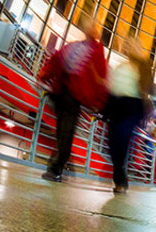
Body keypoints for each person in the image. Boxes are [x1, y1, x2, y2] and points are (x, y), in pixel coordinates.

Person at [38, 17, 108, 182]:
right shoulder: (77, 47)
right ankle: (60, 165)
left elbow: (101, 78)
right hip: (62, 94)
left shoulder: (96, 51)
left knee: (65, 133)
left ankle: (56, 168)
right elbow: (58, 60)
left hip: (74, 98)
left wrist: (98, 103)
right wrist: (44, 76)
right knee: (62, 132)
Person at [106, 37, 155, 193]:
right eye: (128, 45)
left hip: (133, 105)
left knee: (122, 138)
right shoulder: (122, 66)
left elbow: (149, 86)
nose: (129, 47)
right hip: (117, 104)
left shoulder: (144, 65)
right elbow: (112, 86)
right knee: (112, 140)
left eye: (132, 45)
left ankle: (120, 180)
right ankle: (120, 176)